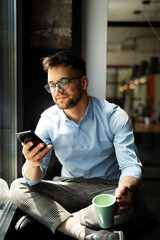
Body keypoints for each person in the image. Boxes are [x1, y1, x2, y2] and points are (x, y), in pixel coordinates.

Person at [9, 50, 145, 240]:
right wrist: (33, 164)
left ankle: (58, 223)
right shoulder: (48, 120)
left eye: (63, 82)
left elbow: (130, 165)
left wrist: (125, 191)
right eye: (52, 85)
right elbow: (33, 180)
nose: (57, 90)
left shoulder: (114, 116)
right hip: (69, 188)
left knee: (135, 202)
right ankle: (85, 232)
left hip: (107, 189)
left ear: (83, 82)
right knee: (18, 187)